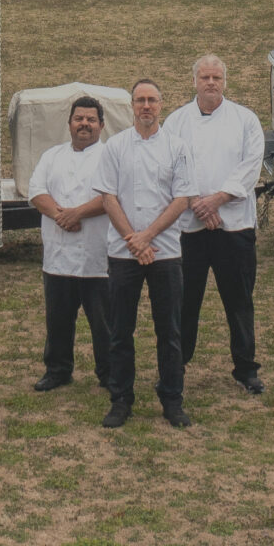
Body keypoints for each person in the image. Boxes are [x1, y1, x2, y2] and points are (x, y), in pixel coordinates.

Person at [93, 77, 193, 429]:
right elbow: (108, 197)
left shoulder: (177, 148)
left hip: (165, 253)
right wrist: (133, 241)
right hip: (124, 254)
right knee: (120, 330)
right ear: (131, 107)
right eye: (140, 101)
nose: (146, 106)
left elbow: (181, 199)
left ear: (161, 105)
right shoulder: (116, 147)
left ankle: (172, 400)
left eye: (152, 100)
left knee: (170, 332)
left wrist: (147, 237)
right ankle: (120, 400)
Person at [168, 52, 266, 395]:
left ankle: (245, 368)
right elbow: (170, 167)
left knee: (239, 301)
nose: (211, 83)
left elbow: (251, 165)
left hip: (234, 226)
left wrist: (218, 199)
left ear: (225, 82)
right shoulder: (176, 121)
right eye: (205, 77)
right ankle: (176, 365)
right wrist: (196, 201)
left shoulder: (245, 120)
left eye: (217, 78)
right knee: (184, 301)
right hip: (189, 227)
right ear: (194, 81)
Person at [27, 94, 113, 393]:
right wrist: (60, 216)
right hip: (58, 254)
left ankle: (109, 373)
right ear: (69, 124)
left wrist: (77, 213)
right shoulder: (52, 156)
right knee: (58, 320)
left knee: (104, 324)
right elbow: (36, 191)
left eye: (91, 119)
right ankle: (57, 370)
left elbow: (110, 197)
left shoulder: (111, 156)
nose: (84, 124)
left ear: (101, 125)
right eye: (79, 119)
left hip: (98, 256)